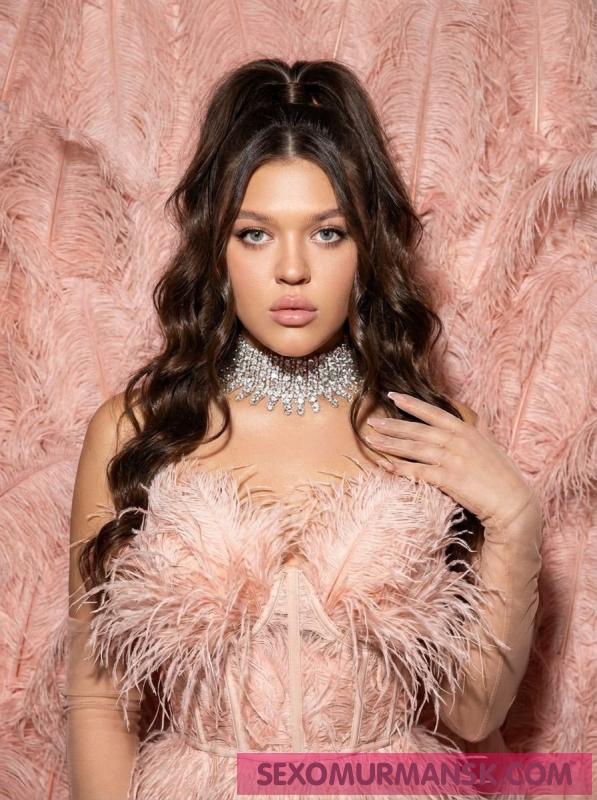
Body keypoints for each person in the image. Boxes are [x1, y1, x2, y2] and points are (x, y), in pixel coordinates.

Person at [63, 58, 544, 800]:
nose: (292, 270)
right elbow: (98, 701)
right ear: (215, 247)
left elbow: (475, 712)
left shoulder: (433, 435)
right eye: (255, 234)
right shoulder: (138, 431)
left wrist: (514, 517)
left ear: (367, 246)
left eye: (327, 232)